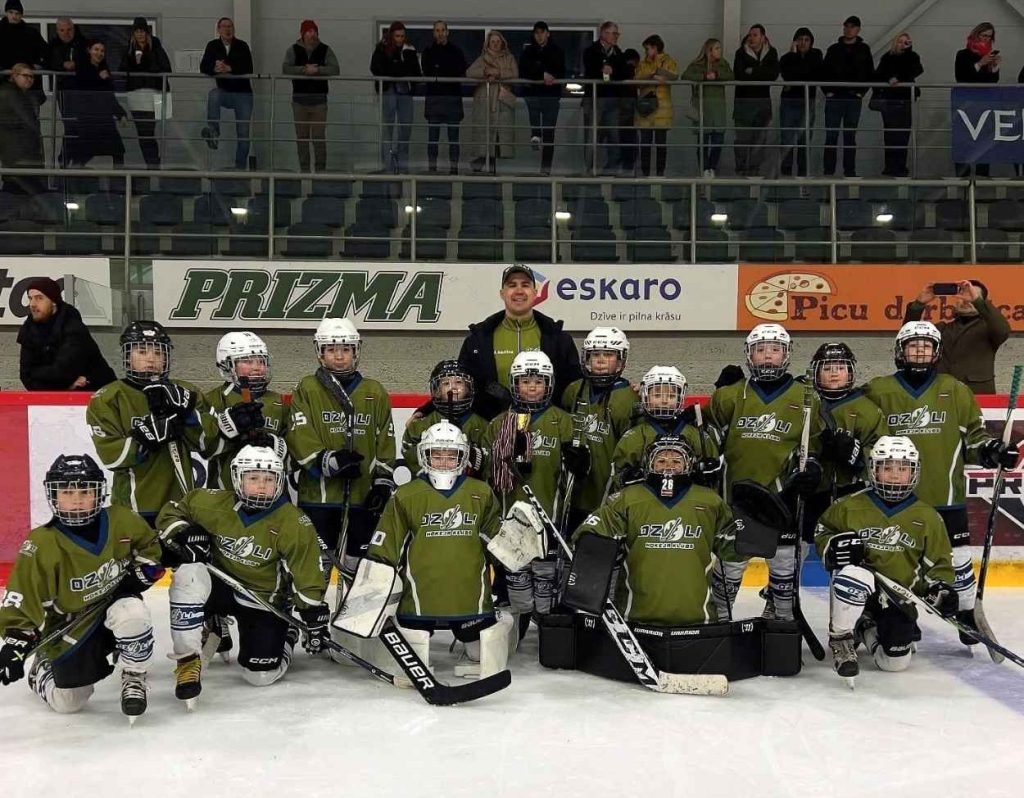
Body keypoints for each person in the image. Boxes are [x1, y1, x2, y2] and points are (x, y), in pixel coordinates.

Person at [864, 321, 1019, 647]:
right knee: (894, 558)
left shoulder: (955, 390)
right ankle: (895, 613)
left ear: (937, 353)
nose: (920, 352)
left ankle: (966, 613)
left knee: (958, 560)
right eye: (913, 345)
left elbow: (974, 439)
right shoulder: (878, 391)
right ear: (900, 351)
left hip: (945, 496)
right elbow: (863, 433)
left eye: (927, 346)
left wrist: (991, 451)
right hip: (894, 500)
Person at [341, 421, 513, 678]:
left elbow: (497, 543)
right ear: (424, 455)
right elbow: (384, 551)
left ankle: (500, 619)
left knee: (479, 654)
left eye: (451, 456)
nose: (444, 462)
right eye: (437, 455)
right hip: (417, 604)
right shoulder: (406, 495)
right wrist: (368, 601)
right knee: (414, 650)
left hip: (470, 602)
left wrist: (518, 542)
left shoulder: (480, 492)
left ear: (463, 456)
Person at [161, 445, 329, 704]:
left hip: (261, 597)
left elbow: (307, 574)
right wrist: (183, 531)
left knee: (260, 675)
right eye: (253, 478)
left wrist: (312, 612)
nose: (261, 486)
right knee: (188, 573)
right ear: (238, 479)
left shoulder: (294, 523)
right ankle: (187, 659)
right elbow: (172, 511)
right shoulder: (211, 503)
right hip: (219, 584)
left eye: (269, 479)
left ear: (279, 482)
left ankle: (286, 635)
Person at [0, 454, 163, 721]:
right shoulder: (41, 543)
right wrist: (16, 641)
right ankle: (41, 669)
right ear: (54, 496)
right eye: (67, 492)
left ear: (99, 493)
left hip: (114, 604)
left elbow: (150, 548)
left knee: (133, 612)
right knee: (69, 703)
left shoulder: (121, 519)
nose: (76, 500)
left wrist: (143, 573)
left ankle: (134, 675)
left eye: (85, 491)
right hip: (72, 624)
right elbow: (23, 596)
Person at [815, 436, 956, 684]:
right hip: (860, 588)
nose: (894, 475)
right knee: (853, 576)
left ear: (914, 472)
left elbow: (939, 565)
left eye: (902, 468)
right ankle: (841, 637)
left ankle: (865, 627)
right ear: (874, 470)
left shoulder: (928, 517)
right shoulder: (849, 506)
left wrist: (940, 589)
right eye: (887, 467)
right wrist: (834, 546)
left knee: (894, 663)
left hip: (897, 596)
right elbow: (822, 531)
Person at [708, 323, 824, 621]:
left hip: (783, 502)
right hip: (736, 502)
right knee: (728, 571)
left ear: (786, 354)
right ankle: (720, 624)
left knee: (784, 572)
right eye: (760, 350)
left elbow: (813, 448)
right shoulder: (730, 396)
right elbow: (708, 440)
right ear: (749, 355)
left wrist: (812, 468)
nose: (768, 356)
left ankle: (780, 623)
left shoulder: (806, 397)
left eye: (775, 349)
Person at [572, 436, 741, 626]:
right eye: (661, 461)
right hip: (634, 621)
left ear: (688, 465)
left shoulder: (710, 501)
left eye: (676, 461)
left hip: (698, 620)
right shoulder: (627, 499)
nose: (668, 466)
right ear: (649, 464)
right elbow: (589, 537)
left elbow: (734, 548)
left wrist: (752, 526)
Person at [483, 351, 588, 636]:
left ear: (549, 384)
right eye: (525, 381)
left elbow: (579, 470)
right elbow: (488, 473)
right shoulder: (499, 423)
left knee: (545, 584)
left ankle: (548, 630)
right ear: (514, 384)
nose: (532, 387)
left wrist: (580, 461)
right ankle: (516, 627)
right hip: (512, 516)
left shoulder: (563, 421)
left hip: (549, 515)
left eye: (538, 382)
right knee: (517, 583)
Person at [286, 317, 396, 583]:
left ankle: (354, 609)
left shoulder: (374, 391)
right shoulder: (308, 388)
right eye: (331, 350)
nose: (338, 356)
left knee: (359, 567)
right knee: (316, 565)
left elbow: (385, 438)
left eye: (345, 349)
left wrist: (382, 482)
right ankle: (314, 608)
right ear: (320, 352)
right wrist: (329, 461)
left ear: (356, 351)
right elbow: (299, 432)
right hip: (319, 498)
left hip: (362, 496)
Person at [86, 321, 215, 528]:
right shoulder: (108, 398)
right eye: (142, 351)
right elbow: (111, 457)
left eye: (158, 352)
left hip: (181, 504)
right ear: (127, 356)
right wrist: (145, 439)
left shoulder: (185, 392)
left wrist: (188, 416)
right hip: (133, 505)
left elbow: (208, 444)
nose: (151, 358)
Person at [457, 264, 582, 421]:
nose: (519, 291)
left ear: (535, 292)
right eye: (512, 285)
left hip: (548, 428)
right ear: (502, 293)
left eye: (525, 285)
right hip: (491, 426)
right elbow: (462, 386)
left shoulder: (559, 339)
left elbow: (574, 389)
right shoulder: (477, 340)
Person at [802, 343, 888, 542]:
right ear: (816, 372)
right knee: (809, 546)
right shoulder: (804, 403)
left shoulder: (867, 409)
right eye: (827, 368)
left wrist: (856, 454)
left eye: (840, 368)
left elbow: (881, 450)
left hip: (853, 492)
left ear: (850, 372)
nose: (834, 373)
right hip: (811, 494)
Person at [560, 327, 636, 530]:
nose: (601, 361)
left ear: (621, 360)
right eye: (595, 355)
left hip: (607, 490)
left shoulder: (628, 399)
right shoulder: (574, 390)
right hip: (575, 490)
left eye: (608, 355)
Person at [611, 365, 723, 492]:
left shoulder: (695, 434)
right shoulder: (635, 435)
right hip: (645, 500)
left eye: (671, 396)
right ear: (646, 396)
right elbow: (617, 475)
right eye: (657, 395)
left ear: (680, 398)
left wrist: (708, 473)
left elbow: (713, 466)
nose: (664, 401)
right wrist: (626, 477)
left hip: (688, 501)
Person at [203, 331, 290, 490]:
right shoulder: (212, 400)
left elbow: (296, 459)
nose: (257, 367)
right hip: (226, 492)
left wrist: (274, 445)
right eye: (247, 361)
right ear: (226, 365)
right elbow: (203, 449)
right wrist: (228, 431)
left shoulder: (282, 403)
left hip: (271, 492)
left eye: (261, 361)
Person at [903, 280, 1011, 394]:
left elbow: (1003, 330)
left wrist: (977, 301)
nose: (966, 300)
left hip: (976, 394)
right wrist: (919, 304)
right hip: (940, 394)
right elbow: (908, 336)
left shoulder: (989, 329)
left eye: (972, 296)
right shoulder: (941, 329)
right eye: (963, 295)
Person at [18, 277, 116, 391]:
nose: (32, 304)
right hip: (58, 396)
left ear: (53, 301)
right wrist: (67, 386)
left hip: (99, 393)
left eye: (39, 298)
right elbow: (26, 376)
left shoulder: (72, 326)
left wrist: (38, 373)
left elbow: (62, 372)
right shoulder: (28, 328)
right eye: (30, 298)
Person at [402, 360, 489, 477]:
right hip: (430, 483)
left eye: (459, 382)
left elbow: (490, 460)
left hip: (470, 485)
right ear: (437, 391)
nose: (453, 387)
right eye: (446, 383)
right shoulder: (420, 425)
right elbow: (408, 452)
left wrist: (477, 458)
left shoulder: (483, 426)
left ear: (468, 388)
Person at [283, 19, 339, 173]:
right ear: (302, 33)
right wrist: (303, 70)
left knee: (319, 137)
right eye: (308, 31)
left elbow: (335, 69)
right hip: (299, 101)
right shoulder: (293, 49)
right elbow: (286, 68)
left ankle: (320, 171)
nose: (312, 34)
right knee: (302, 138)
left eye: (314, 31)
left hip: (319, 100)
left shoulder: (325, 49)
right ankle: (305, 171)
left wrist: (318, 70)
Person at [821, 16, 874, 177]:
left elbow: (869, 73)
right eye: (847, 26)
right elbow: (824, 72)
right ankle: (828, 171)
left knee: (850, 136)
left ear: (858, 29)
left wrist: (861, 92)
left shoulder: (864, 49)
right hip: (835, 97)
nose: (849, 29)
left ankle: (849, 171)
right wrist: (827, 91)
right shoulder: (834, 49)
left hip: (853, 98)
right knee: (831, 136)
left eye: (852, 26)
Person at [200, 17, 255, 169]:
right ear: (218, 29)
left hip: (243, 93)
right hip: (225, 92)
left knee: (243, 133)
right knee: (214, 94)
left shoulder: (242, 46)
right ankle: (213, 131)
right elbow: (204, 66)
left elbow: (249, 67)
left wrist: (230, 68)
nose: (227, 29)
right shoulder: (213, 46)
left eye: (230, 26)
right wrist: (215, 68)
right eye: (224, 26)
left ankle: (240, 167)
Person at [64, 40, 127, 168]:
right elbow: (84, 88)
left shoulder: (104, 70)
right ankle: (75, 176)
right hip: (88, 118)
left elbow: (109, 97)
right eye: (96, 49)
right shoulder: (82, 68)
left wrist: (120, 114)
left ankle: (119, 179)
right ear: (89, 51)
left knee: (118, 150)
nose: (99, 53)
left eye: (102, 51)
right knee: (84, 152)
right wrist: (100, 78)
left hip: (105, 118)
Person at [370, 21, 421, 174]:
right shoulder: (382, 48)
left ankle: (402, 164)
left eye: (402, 36)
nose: (400, 39)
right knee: (388, 129)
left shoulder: (410, 49)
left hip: (405, 90)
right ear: (392, 35)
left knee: (406, 128)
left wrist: (396, 69)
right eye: (397, 36)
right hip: (389, 90)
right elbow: (376, 68)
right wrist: (399, 69)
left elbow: (416, 72)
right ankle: (387, 165)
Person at [120, 17, 172, 169]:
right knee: (143, 132)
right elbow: (122, 69)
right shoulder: (129, 49)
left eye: (142, 31)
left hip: (155, 93)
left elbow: (166, 68)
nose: (140, 34)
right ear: (133, 33)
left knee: (149, 131)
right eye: (137, 31)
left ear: (147, 33)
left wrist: (146, 60)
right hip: (137, 95)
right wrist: (134, 62)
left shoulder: (156, 47)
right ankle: (153, 163)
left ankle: (154, 163)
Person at [467, 30, 518, 174]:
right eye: (492, 42)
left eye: (497, 41)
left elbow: (515, 74)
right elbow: (469, 73)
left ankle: (490, 170)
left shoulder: (509, 58)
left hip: (502, 102)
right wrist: (485, 72)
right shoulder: (482, 58)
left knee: (499, 138)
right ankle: (483, 165)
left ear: (502, 43)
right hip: (486, 102)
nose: (495, 44)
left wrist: (498, 73)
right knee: (486, 137)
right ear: (488, 43)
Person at [871, 33, 922, 177]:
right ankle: (890, 166)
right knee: (891, 134)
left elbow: (917, 69)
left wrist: (908, 51)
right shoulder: (888, 57)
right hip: (890, 100)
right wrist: (890, 79)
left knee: (903, 135)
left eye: (906, 42)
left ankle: (900, 166)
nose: (902, 44)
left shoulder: (912, 57)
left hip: (905, 99)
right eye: (900, 41)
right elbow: (879, 74)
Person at [732, 24, 779, 177]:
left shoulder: (771, 53)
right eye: (750, 35)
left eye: (755, 35)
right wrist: (761, 72)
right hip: (743, 103)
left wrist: (753, 70)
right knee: (742, 139)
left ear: (763, 37)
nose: (751, 38)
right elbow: (739, 74)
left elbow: (772, 75)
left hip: (763, 104)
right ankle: (741, 169)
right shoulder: (740, 53)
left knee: (760, 139)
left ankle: (754, 170)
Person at [519, 21, 565, 176]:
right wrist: (542, 74)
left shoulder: (557, 51)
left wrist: (546, 74)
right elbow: (524, 70)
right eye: (537, 33)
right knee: (538, 126)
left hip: (551, 96)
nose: (539, 36)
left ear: (548, 33)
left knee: (549, 134)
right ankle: (535, 134)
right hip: (534, 94)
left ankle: (546, 170)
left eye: (542, 32)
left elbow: (560, 71)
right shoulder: (528, 51)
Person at [682, 39, 733, 177]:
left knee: (718, 140)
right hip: (702, 107)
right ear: (709, 50)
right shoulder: (697, 64)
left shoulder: (723, 63)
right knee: (702, 142)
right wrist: (703, 76)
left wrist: (717, 75)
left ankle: (712, 167)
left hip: (718, 108)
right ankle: (704, 169)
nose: (720, 51)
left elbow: (731, 75)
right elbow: (685, 75)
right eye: (717, 48)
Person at [954, 23, 1000, 178]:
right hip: (966, 104)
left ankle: (983, 175)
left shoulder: (988, 55)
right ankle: (963, 176)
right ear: (976, 35)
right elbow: (961, 77)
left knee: (984, 141)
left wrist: (994, 68)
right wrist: (980, 64)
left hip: (985, 103)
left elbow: (992, 82)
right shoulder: (962, 55)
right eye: (984, 36)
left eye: (989, 37)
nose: (986, 39)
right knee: (964, 139)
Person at [421, 20, 466, 175]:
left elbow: (460, 69)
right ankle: (432, 169)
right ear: (433, 33)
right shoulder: (428, 51)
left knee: (453, 139)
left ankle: (454, 169)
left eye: (442, 30)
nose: (440, 33)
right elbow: (427, 71)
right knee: (433, 138)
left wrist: (441, 69)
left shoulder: (456, 51)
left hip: (452, 98)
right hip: (434, 98)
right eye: (437, 30)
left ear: (447, 32)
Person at [582, 21, 627, 174]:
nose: (616, 37)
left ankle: (612, 168)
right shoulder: (591, 51)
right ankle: (588, 169)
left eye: (616, 34)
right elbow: (590, 70)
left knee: (614, 135)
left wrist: (612, 71)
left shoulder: (618, 53)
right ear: (603, 33)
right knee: (592, 135)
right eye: (613, 33)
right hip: (595, 98)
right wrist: (602, 70)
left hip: (612, 99)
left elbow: (625, 72)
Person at [778, 27, 822, 177]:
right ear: (795, 42)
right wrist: (793, 55)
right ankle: (786, 174)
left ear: (811, 42)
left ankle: (803, 175)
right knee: (787, 139)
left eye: (806, 40)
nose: (803, 43)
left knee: (805, 139)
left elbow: (812, 74)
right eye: (800, 39)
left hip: (807, 102)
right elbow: (788, 75)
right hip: (789, 102)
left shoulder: (816, 55)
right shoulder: (786, 58)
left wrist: (798, 70)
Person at [634, 35, 678, 177]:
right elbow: (636, 81)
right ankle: (645, 173)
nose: (646, 52)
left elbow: (674, 76)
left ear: (655, 47)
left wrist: (661, 76)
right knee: (645, 143)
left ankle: (660, 173)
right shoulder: (642, 64)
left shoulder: (668, 61)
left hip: (662, 109)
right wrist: (651, 77)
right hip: (646, 108)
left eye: (648, 49)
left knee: (661, 143)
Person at [0, 63, 43, 194]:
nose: (30, 79)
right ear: (14, 76)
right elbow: (26, 121)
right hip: (17, 148)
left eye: (32, 77)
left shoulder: (20, 94)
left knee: (18, 186)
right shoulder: (10, 94)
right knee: (19, 186)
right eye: (26, 76)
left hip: (20, 149)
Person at [0, 1, 46, 107]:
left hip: (29, 85)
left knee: (30, 114)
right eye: (11, 12)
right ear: (6, 13)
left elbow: (45, 52)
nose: (14, 16)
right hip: (4, 83)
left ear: (21, 15)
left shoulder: (31, 33)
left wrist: (39, 65)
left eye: (17, 13)